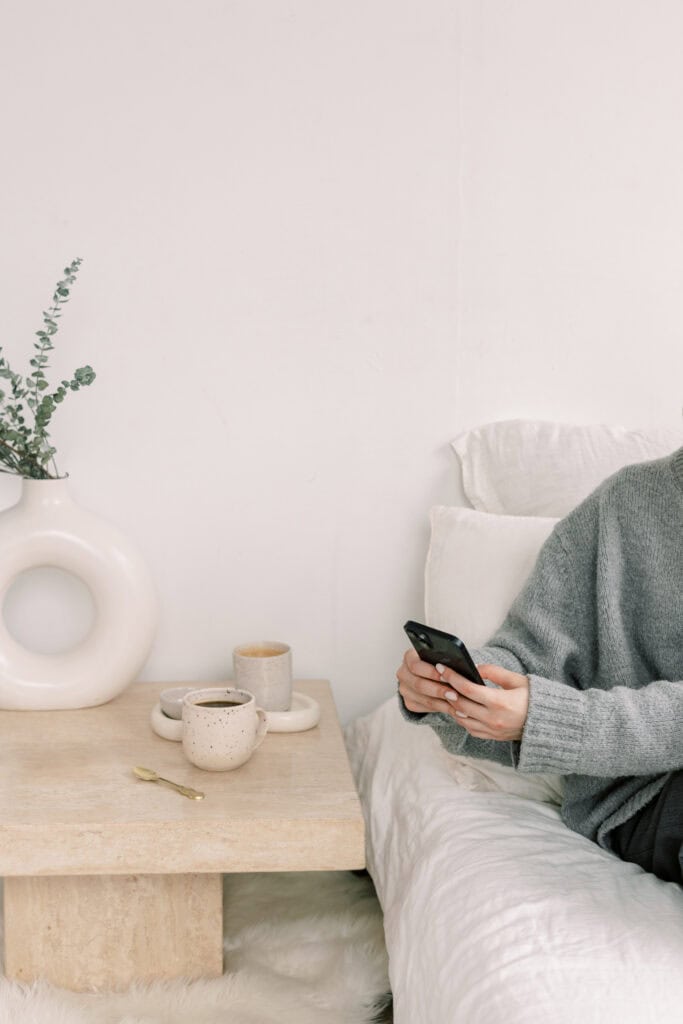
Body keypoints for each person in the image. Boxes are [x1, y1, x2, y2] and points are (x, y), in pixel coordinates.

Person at [397, 448, 683, 884]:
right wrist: (454, 688)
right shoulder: (623, 508)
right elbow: (528, 661)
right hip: (648, 797)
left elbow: (545, 713)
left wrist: (552, 720)